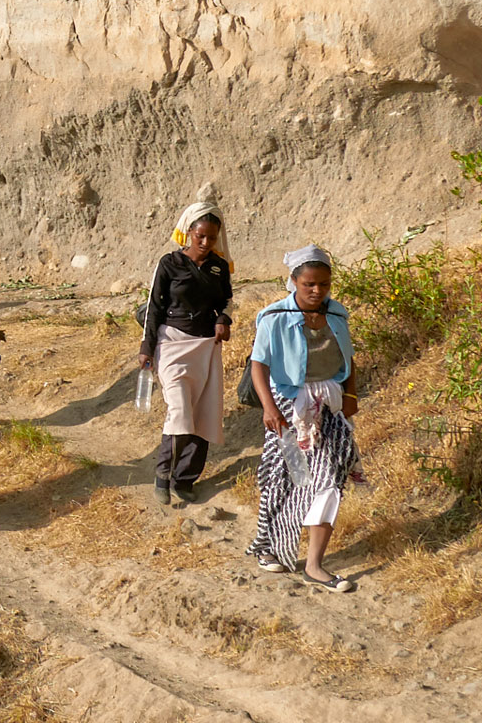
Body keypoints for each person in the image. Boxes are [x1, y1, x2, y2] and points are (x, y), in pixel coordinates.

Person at [247, 246, 361, 591]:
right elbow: (258, 366)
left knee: (329, 478)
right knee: (286, 478)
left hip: (330, 404)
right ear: (293, 281)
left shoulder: (338, 316)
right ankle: (271, 546)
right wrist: (269, 408)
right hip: (286, 405)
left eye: (323, 285)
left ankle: (314, 564)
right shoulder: (274, 318)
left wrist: (351, 396)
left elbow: (349, 359)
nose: (316, 291)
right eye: (309, 284)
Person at [138, 203, 233, 505]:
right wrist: (146, 347)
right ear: (189, 231)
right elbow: (154, 306)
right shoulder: (169, 263)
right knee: (179, 409)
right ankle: (163, 475)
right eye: (200, 236)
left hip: (206, 347)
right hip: (172, 342)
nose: (205, 244)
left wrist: (223, 319)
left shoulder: (219, 267)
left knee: (204, 413)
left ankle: (186, 478)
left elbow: (228, 302)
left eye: (211, 238)